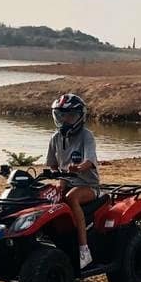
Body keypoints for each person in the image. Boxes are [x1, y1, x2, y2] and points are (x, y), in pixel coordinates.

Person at [46, 93, 100, 267]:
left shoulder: (87, 136)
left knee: (71, 198)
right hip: (66, 182)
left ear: (79, 116)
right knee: (47, 197)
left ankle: (84, 249)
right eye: (62, 115)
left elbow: (90, 161)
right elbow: (52, 165)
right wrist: (58, 177)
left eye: (70, 115)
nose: (66, 120)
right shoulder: (55, 138)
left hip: (88, 185)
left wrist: (77, 168)